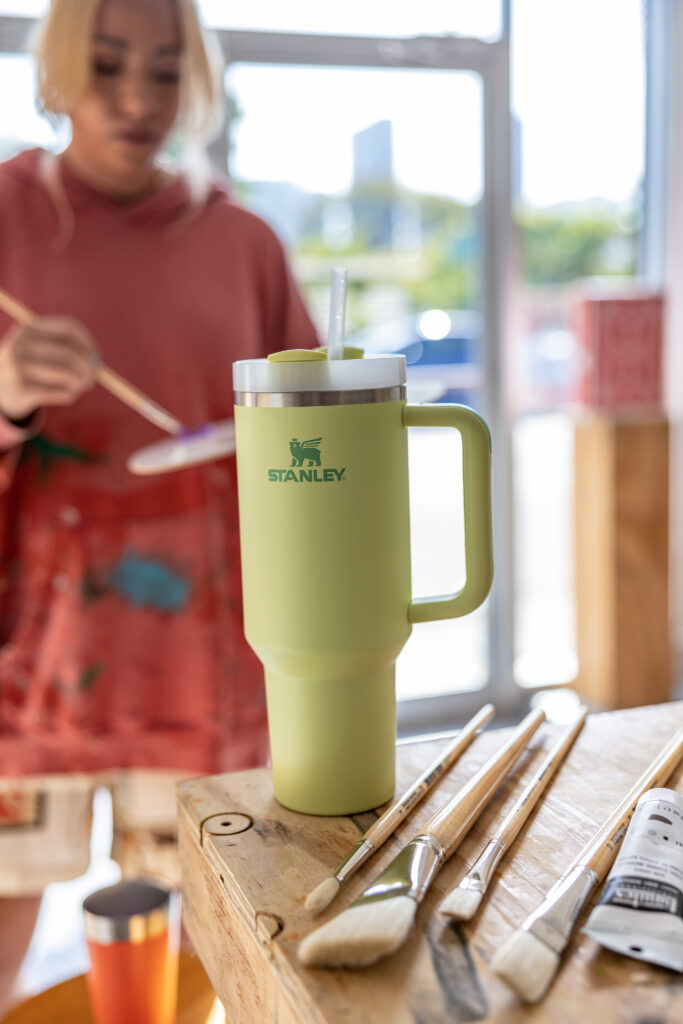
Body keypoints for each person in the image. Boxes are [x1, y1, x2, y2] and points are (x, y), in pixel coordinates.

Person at [0, 0, 319, 1009]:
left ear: (199, 79)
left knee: (206, 932)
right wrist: (7, 394)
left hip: (205, 660)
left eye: (165, 69)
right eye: (104, 65)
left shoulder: (243, 244)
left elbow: (308, 454)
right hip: (28, 651)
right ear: (54, 72)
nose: (138, 98)